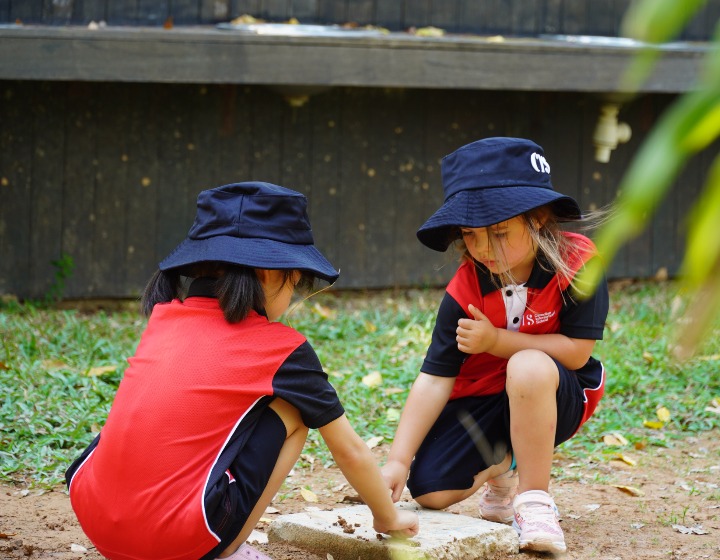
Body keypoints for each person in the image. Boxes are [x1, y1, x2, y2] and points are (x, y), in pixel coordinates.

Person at [65, 182, 419, 560]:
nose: (296, 291)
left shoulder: (163, 319)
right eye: (296, 279)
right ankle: (228, 549)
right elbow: (349, 449)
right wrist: (387, 516)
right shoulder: (283, 349)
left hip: (99, 523)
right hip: (176, 542)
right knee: (295, 411)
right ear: (270, 272)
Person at [381, 137, 609, 554]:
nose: (483, 248)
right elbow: (434, 378)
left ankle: (535, 501)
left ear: (539, 217)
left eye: (499, 232)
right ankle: (507, 463)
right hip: (485, 400)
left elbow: (577, 351)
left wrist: (497, 341)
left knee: (527, 364)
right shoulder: (465, 287)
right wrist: (398, 460)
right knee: (431, 491)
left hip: (559, 393)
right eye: (470, 234)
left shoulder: (579, 265)